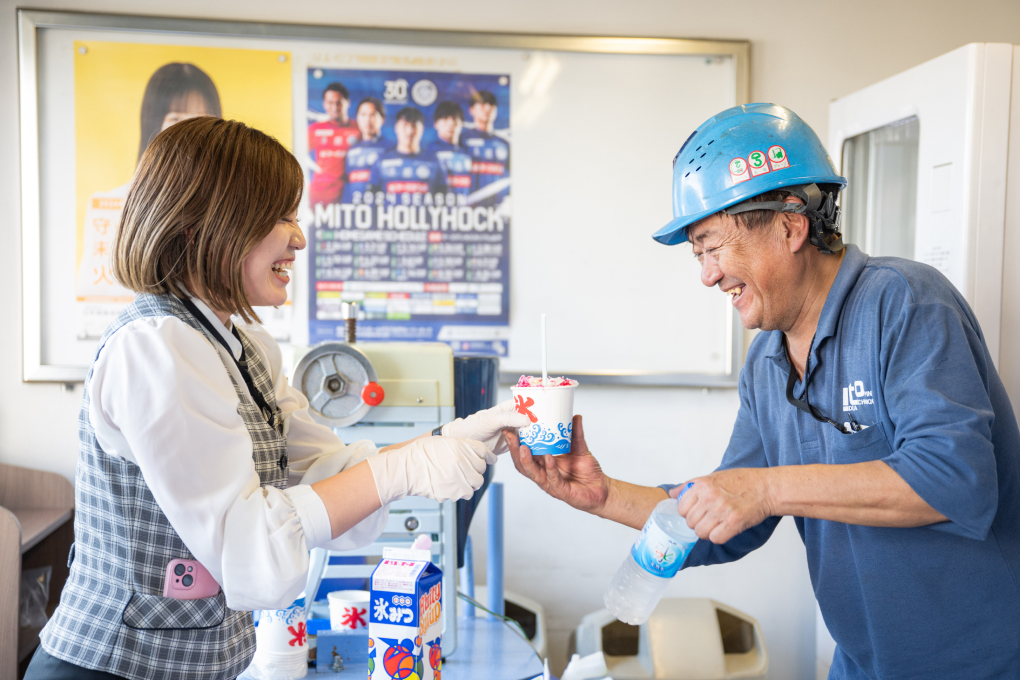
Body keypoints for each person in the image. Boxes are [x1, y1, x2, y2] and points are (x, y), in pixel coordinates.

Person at [506, 104, 1020, 679]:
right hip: (861, 665)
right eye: (697, 254)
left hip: (982, 665)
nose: (707, 275)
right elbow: (732, 515)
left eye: (713, 246)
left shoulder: (905, 303)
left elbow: (958, 481)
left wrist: (768, 489)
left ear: (790, 225)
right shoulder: (768, 359)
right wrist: (601, 495)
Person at [28, 117, 528, 680]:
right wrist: (402, 468)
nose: (299, 238)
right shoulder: (156, 348)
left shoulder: (243, 347)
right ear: (205, 225)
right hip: (110, 667)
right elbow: (247, 539)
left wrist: (445, 439)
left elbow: (320, 471)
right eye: (282, 216)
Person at [76, 62, 222, 335]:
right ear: (153, 125)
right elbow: (97, 296)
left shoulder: (231, 207)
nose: (189, 133)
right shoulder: (112, 205)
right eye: (176, 120)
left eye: (201, 121)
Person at [367, 107, 449, 203]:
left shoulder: (435, 162)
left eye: (414, 126)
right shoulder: (381, 161)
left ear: (422, 129)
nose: (409, 131)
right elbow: (371, 200)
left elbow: (444, 200)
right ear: (396, 128)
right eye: (405, 125)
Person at [307, 82, 359, 206]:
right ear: (324, 104)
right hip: (319, 195)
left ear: (348, 103)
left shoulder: (358, 129)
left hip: (350, 196)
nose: (335, 107)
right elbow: (298, 154)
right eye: (330, 103)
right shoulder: (315, 129)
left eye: (339, 102)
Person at [459, 90, 509, 207]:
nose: (487, 108)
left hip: (497, 210)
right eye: (482, 104)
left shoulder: (505, 144)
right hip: (468, 207)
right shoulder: (461, 140)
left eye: (491, 105)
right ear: (471, 110)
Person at [341, 96, 389, 204]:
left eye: (372, 115)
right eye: (363, 115)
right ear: (357, 118)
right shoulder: (351, 151)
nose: (367, 120)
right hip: (355, 214)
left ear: (383, 119)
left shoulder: (390, 149)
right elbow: (347, 186)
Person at [424, 101, 473, 203]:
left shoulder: (468, 154)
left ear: (462, 124)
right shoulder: (428, 153)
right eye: (445, 119)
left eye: (455, 119)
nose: (450, 124)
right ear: (435, 124)